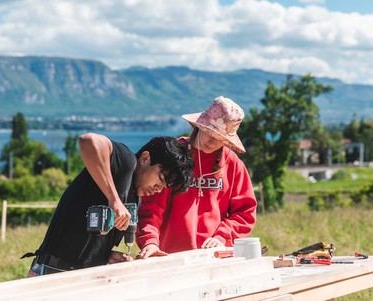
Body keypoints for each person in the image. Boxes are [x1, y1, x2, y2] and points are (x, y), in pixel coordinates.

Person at [23, 133, 193, 276]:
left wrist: (106, 257)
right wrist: (114, 199)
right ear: (145, 158)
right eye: (161, 178)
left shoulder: (135, 198)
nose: (159, 189)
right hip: (52, 272)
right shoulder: (125, 161)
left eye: (165, 186)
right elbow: (88, 141)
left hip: (82, 278)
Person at [136, 96, 257, 258]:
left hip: (214, 258)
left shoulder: (232, 164)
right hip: (168, 257)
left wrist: (223, 236)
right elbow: (151, 209)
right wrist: (150, 241)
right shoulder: (174, 157)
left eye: (221, 138)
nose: (213, 141)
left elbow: (245, 212)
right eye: (210, 132)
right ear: (200, 126)